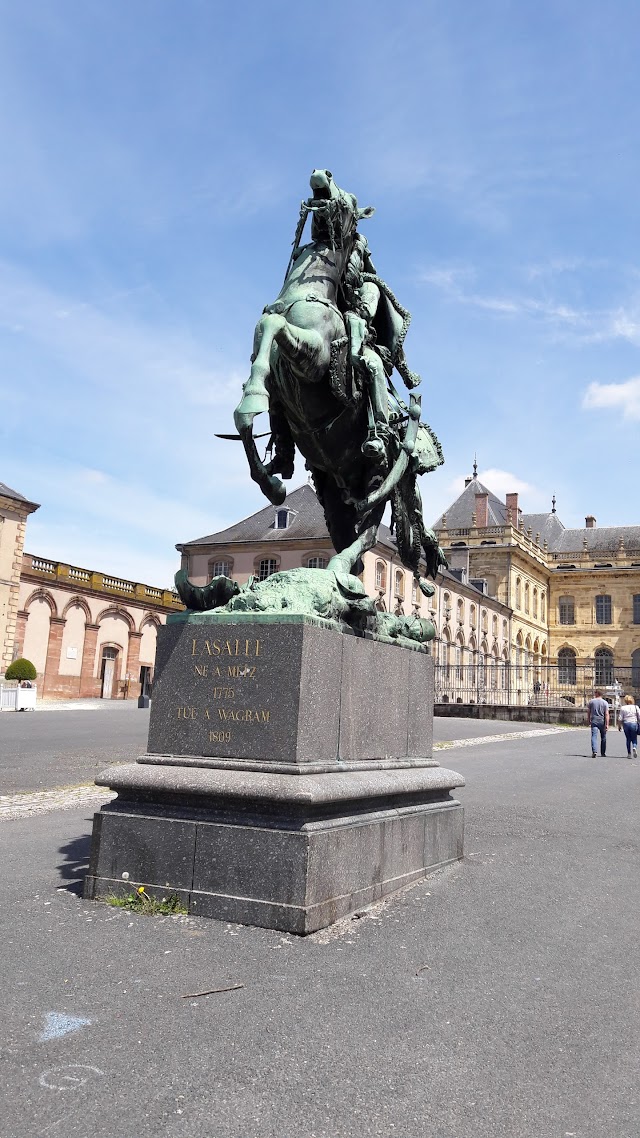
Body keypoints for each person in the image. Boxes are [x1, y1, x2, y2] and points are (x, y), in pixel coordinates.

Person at [588, 688, 610, 757]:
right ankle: (603, 753)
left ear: (597, 693)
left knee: (594, 736)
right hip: (602, 721)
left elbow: (589, 712)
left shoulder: (591, 701)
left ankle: (594, 751)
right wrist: (607, 724)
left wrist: (589, 720)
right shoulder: (605, 702)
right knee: (603, 737)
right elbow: (606, 714)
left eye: (595, 693)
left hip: (594, 720)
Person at [617, 694, 640, 759]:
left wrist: (619, 726)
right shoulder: (636, 707)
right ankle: (634, 747)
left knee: (628, 739)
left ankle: (629, 753)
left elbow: (620, 718)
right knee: (634, 738)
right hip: (634, 723)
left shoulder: (623, 708)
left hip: (626, 724)